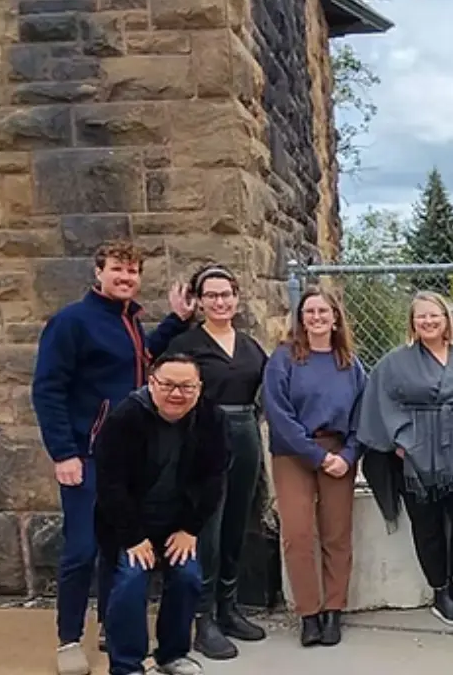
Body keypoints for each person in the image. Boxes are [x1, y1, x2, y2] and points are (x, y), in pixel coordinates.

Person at [31, 240, 196, 675]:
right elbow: (47, 389)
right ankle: (69, 639)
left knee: (116, 548)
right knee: (81, 550)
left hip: (127, 461)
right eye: (118, 271)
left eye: (133, 272)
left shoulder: (130, 322)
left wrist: (177, 321)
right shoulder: (72, 323)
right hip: (85, 458)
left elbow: (142, 360)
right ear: (98, 273)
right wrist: (64, 452)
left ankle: (110, 625)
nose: (126, 278)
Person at [357, 291, 453, 628]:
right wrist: (401, 442)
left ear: (446, 319)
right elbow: (380, 402)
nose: (428, 321)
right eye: (421, 316)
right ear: (412, 323)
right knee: (429, 523)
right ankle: (440, 594)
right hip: (418, 451)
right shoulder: (395, 362)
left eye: (434, 315)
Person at [93, 353, 230, 675]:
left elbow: (214, 479)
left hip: (178, 525)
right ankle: (126, 665)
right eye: (168, 384)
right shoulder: (124, 419)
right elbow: (110, 485)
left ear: (199, 388)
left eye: (186, 386)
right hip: (129, 524)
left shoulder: (212, 419)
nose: (177, 394)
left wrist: (191, 530)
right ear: (151, 384)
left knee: (188, 577)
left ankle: (172, 655)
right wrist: (133, 537)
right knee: (130, 581)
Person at [166, 264, 269, 660]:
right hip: (203, 435)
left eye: (226, 294)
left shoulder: (249, 345)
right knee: (205, 528)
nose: (220, 301)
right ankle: (202, 618)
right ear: (199, 301)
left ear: (236, 299)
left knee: (236, 523)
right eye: (211, 295)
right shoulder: (187, 343)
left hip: (244, 434)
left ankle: (229, 608)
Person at [262, 287, 366, 647]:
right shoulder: (284, 359)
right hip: (294, 453)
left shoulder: (350, 363)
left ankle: (333, 610)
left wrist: (348, 456)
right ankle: (309, 614)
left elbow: (361, 418)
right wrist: (317, 457)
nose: (317, 317)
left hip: (339, 454)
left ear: (335, 317)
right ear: (301, 318)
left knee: (337, 534)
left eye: (324, 311)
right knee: (299, 534)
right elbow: (278, 414)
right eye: (309, 312)